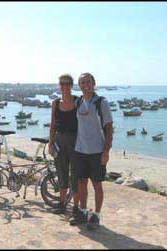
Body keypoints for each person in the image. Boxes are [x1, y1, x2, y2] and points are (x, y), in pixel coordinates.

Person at [73, 72, 113, 229]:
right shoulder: (78, 102)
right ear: (79, 85)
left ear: (94, 83)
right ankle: (82, 211)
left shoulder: (101, 103)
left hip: (97, 151)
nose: (85, 85)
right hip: (80, 150)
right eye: (82, 82)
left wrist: (106, 151)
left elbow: (109, 129)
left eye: (88, 81)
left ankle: (96, 214)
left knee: (97, 184)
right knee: (82, 183)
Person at [48, 74, 80, 217]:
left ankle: (76, 207)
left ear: (72, 85)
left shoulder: (78, 101)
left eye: (68, 83)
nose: (65, 86)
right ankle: (62, 204)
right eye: (62, 83)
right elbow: (53, 125)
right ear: (59, 85)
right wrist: (50, 143)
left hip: (75, 141)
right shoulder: (55, 103)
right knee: (61, 173)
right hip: (59, 140)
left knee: (75, 175)